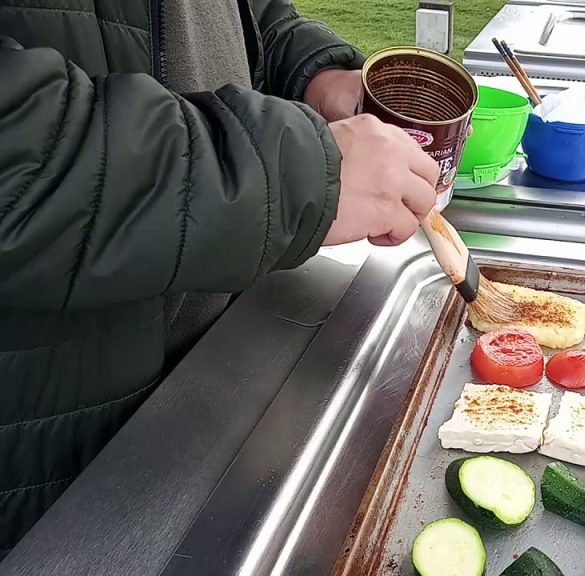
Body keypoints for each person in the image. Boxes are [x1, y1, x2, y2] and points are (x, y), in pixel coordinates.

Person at [0, 0, 440, 558]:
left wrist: (311, 71)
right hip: (53, 468)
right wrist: (292, 173)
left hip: (203, 390)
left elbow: (233, 18)